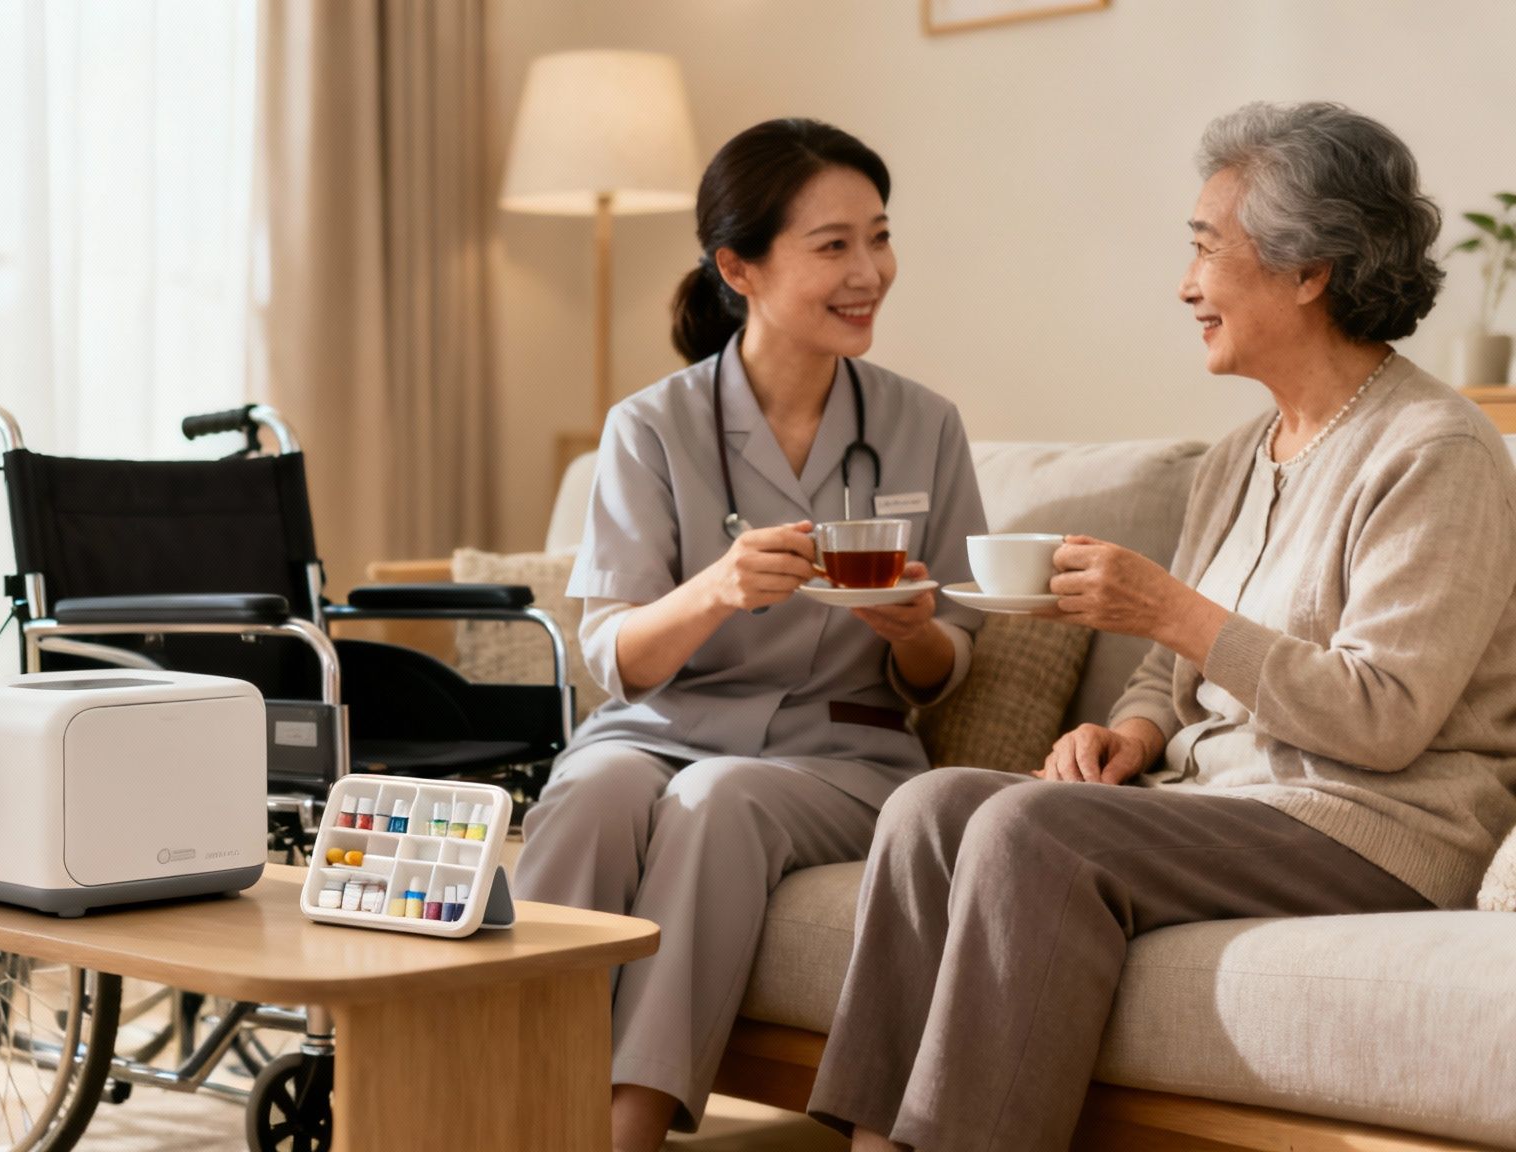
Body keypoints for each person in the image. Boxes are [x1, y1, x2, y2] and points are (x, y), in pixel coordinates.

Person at [814, 101, 1516, 1152]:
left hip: (1378, 826)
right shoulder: (1237, 455)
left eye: (1203, 250)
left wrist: (1174, 611)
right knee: (931, 808)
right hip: (1230, 802)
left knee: (1025, 828)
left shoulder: (1434, 451)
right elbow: (1162, 678)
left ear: (1304, 269)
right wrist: (1128, 738)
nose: (1183, 286)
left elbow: (1384, 721)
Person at [511, 117, 988, 1152]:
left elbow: (949, 658)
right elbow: (616, 659)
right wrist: (716, 590)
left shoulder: (923, 424)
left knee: (715, 798)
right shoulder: (650, 426)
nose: (869, 271)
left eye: (878, 237)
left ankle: (620, 1135)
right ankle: (497, 1099)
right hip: (658, 722)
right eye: (833, 246)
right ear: (738, 266)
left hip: (840, 751)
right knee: (590, 792)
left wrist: (913, 633)